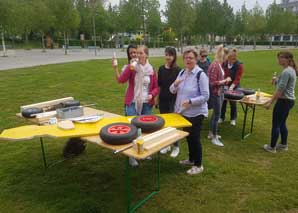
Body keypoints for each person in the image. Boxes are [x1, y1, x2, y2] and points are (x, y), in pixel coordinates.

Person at [112, 45, 159, 166]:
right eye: (136, 53)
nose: (137, 55)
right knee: (132, 129)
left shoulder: (151, 69)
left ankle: (144, 150)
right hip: (132, 102)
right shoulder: (132, 67)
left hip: (146, 103)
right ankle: (131, 156)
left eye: (140, 53)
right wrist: (130, 67)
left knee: (146, 128)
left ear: (146, 55)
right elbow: (121, 80)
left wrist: (152, 95)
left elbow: (156, 87)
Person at [170, 48, 209, 175]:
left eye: (191, 58)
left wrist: (191, 101)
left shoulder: (200, 75)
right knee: (188, 138)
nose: (188, 60)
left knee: (195, 139)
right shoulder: (182, 72)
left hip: (196, 113)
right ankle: (191, 159)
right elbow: (172, 90)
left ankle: (198, 165)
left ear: (196, 59)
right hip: (183, 112)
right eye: (186, 58)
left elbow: (205, 96)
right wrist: (175, 84)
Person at [263, 51, 297, 153]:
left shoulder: (287, 72)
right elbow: (283, 84)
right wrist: (276, 80)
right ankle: (283, 144)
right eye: (278, 57)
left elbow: (280, 90)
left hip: (284, 101)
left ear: (288, 59)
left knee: (276, 124)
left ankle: (272, 147)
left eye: (281, 58)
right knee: (282, 123)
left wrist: (270, 102)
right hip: (288, 101)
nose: (279, 60)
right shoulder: (290, 70)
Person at [158, 47, 181, 157]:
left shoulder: (178, 70)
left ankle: (176, 146)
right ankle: (166, 144)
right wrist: (157, 98)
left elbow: (180, 87)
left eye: (170, 55)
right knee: (164, 122)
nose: (168, 57)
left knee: (172, 124)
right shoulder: (161, 69)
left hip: (173, 100)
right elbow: (160, 85)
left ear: (174, 56)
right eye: (166, 54)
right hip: (163, 99)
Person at [208, 45, 231, 147]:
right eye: (227, 56)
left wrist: (224, 81)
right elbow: (211, 83)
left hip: (220, 92)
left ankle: (211, 133)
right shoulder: (214, 65)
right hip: (215, 93)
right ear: (223, 55)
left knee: (215, 114)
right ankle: (214, 137)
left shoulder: (219, 65)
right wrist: (224, 81)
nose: (227, 58)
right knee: (217, 116)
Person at [219, 48, 244, 126]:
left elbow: (237, 78)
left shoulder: (239, 65)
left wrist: (232, 87)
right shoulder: (224, 63)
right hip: (225, 84)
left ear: (235, 58)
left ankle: (233, 118)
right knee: (223, 101)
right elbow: (222, 74)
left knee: (233, 102)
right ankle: (221, 117)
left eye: (233, 59)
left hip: (234, 85)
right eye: (229, 59)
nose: (231, 61)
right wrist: (224, 82)